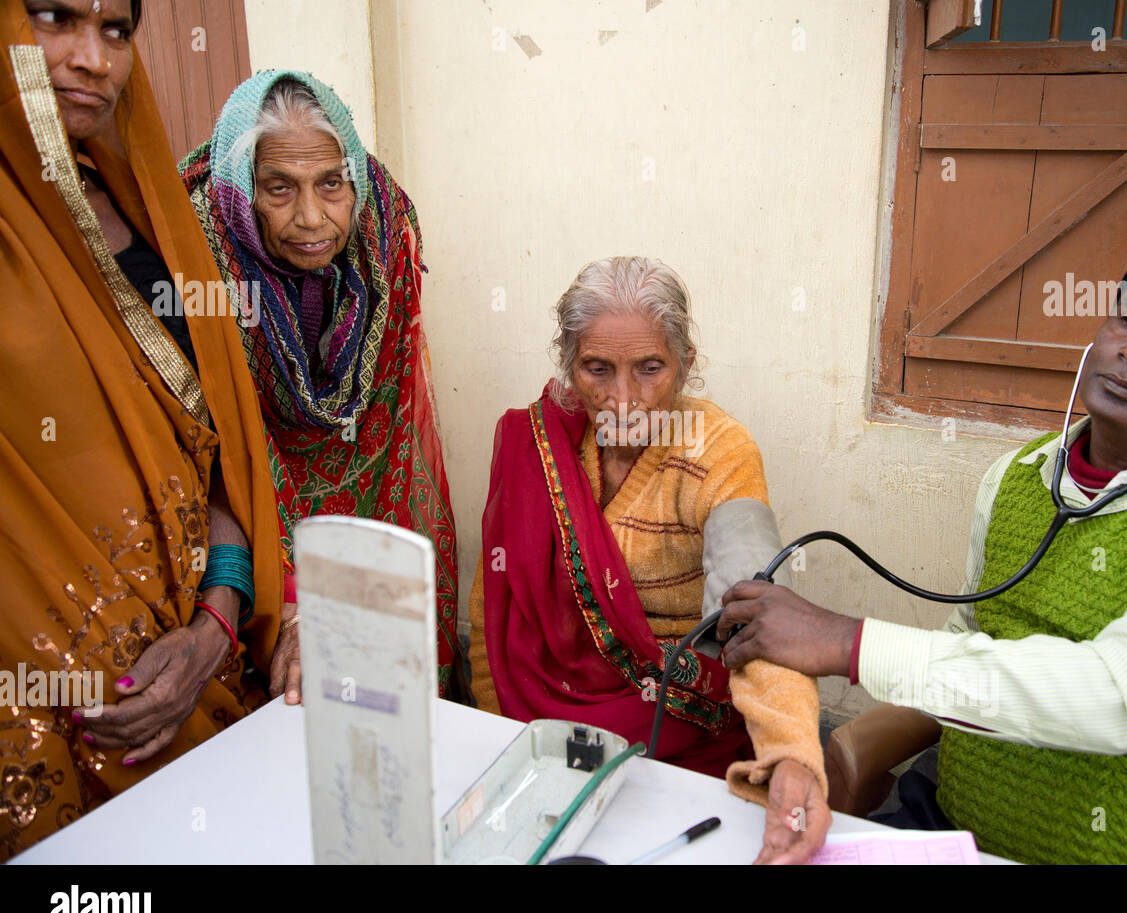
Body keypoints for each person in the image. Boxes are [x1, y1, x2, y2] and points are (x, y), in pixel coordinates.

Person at [718, 223, 1127, 864]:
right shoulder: (1019, 477)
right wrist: (848, 757)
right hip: (956, 834)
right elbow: (964, 652)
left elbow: (1119, 698)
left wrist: (847, 642)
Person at [0, 0, 286, 859]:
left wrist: (216, 623)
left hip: (198, 693)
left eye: (117, 29)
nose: (94, 59)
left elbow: (213, 465)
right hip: (44, 728)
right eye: (53, 17)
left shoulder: (151, 220)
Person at [469, 256, 830, 863]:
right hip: (543, 727)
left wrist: (791, 753)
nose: (623, 400)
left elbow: (759, 608)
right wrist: (499, 729)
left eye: (650, 369)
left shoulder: (720, 452)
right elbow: (496, 612)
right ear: (569, 365)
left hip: (683, 732)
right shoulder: (537, 441)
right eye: (597, 369)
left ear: (685, 365)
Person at [181, 71, 465, 702]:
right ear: (241, 191)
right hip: (243, 505)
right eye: (279, 188)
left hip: (367, 482)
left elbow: (391, 416)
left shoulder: (383, 221)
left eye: (331, 184)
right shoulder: (191, 254)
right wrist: (290, 602)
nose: (312, 218)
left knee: (383, 687)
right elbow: (222, 443)